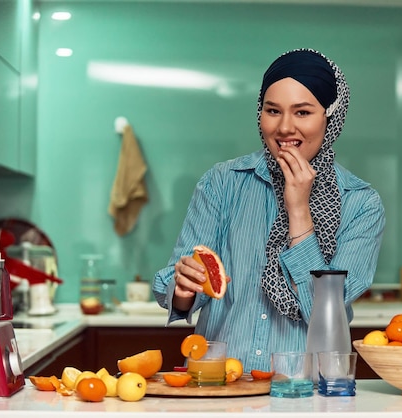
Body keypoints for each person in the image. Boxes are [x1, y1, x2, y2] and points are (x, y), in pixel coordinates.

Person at [152, 48, 386, 372]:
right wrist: (183, 289)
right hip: (219, 386)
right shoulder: (222, 183)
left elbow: (325, 314)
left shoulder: (361, 204)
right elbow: (181, 291)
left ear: (330, 118)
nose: (285, 128)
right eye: (273, 110)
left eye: (302, 112)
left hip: (306, 392)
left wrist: (299, 209)